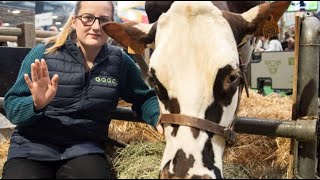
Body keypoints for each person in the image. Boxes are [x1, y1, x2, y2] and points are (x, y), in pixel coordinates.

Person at [2, 1, 162, 179]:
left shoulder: (120, 62)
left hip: (84, 149)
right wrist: (35, 104)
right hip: (32, 147)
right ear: (74, 21)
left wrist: (159, 117)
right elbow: (12, 108)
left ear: (112, 25)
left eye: (103, 20)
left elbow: (144, 97)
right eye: (87, 18)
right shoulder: (43, 54)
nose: (96, 27)